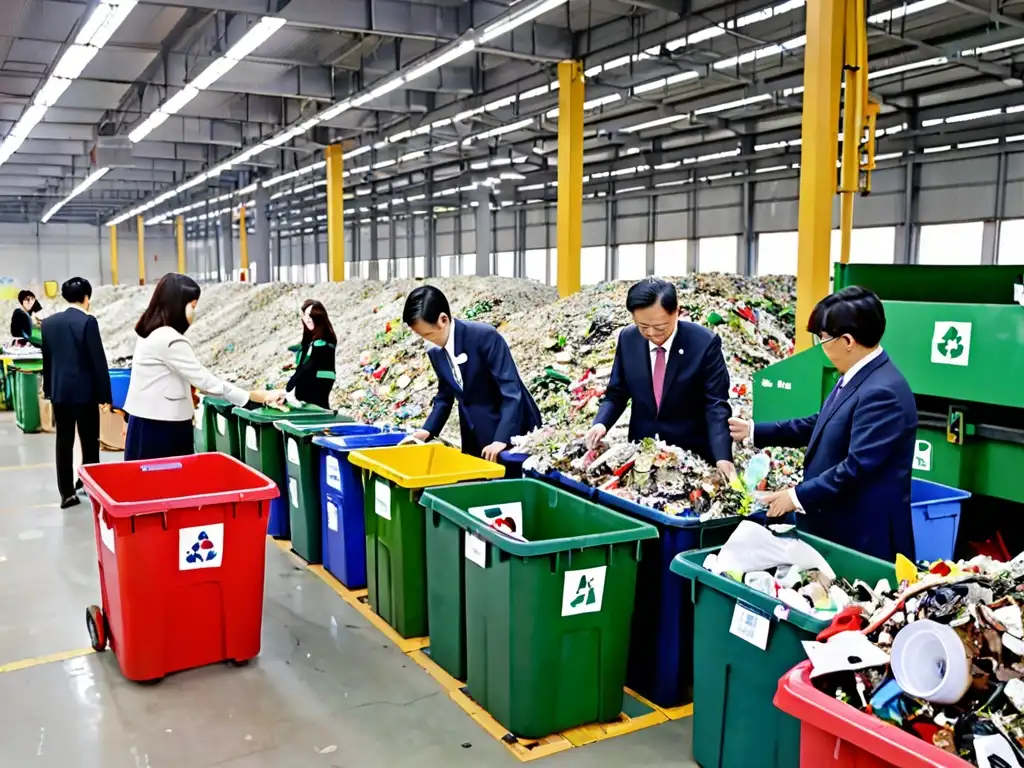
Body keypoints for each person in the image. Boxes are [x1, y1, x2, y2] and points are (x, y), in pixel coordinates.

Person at [728, 286, 917, 561]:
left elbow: (857, 467)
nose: (822, 346)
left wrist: (794, 496)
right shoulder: (858, 374)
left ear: (848, 341)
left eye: (824, 338)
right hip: (838, 521)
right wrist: (755, 431)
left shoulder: (882, 392)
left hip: (863, 535)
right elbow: (822, 423)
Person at [123, 273, 285, 461]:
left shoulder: (149, 333)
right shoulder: (170, 339)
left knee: (147, 485)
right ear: (177, 305)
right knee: (168, 484)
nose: (194, 313)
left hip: (144, 423)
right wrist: (252, 397)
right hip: (163, 429)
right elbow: (207, 382)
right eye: (192, 306)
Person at [586, 278, 736, 478]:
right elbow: (617, 392)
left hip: (690, 455)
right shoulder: (628, 339)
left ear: (676, 312)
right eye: (643, 326)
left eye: (660, 327)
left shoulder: (704, 343)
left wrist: (723, 456)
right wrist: (601, 423)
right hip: (642, 453)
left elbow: (715, 404)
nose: (651, 334)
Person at [404, 285, 541, 462]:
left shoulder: (484, 337)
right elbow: (445, 395)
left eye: (428, 334)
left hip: (510, 429)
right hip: (474, 431)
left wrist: (502, 439)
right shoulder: (435, 351)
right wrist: (427, 430)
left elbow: (511, 391)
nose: (426, 340)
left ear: (443, 320)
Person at [41, 277, 111, 509]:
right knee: (89, 441)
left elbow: (48, 361)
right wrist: (105, 397)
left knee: (64, 441)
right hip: (85, 394)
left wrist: (49, 390)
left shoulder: (49, 324)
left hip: (60, 393)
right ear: (86, 298)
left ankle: (66, 494)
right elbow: (97, 362)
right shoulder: (87, 322)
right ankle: (88, 484)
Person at [285, 300, 336, 409]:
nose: (307, 319)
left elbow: (308, 367)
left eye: (310, 315)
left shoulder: (321, 343)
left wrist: (291, 385)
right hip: (313, 386)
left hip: (316, 385)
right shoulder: (313, 341)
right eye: (305, 316)